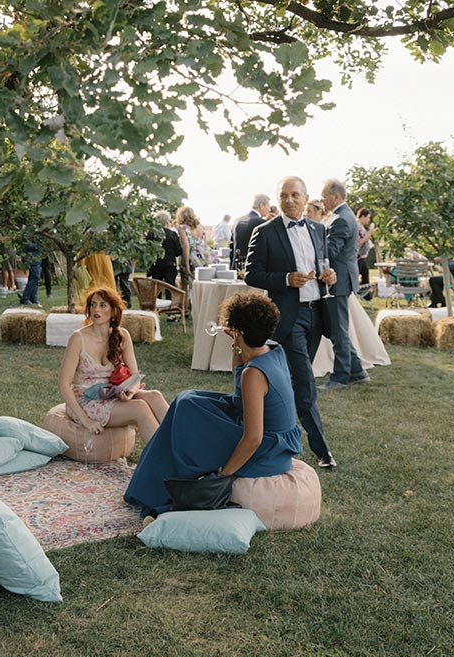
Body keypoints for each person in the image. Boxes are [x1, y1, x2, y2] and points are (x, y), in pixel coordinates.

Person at [124, 293, 303, 516]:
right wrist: (236, 342)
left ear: (238, 331)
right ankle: (155, 480)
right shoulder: (271, 349)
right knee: (186, 401)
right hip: (271, 437)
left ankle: (157, 490)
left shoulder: (254, 374)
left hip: (267, 451)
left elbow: (253, 438)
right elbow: (240, 395)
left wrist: (222, 475)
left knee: (185, 424)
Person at [243, 175, 338, 470]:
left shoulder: (318, 229)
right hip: (289, 317)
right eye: (284, 195)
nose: (290, 200)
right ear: (278, 199)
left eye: (295, 195)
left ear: (306, 198)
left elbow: (323, 265)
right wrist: (285, 279)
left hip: (316, 313)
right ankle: (321, 449)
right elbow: (251, 274)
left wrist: (329, 276)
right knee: (305, 382)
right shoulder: (265, 231)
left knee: (295, 382)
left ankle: (270, 433)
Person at [58, 287, 169, 446]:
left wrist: (130, 392)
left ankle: (184, 447)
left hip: (112, 394)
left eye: (103, 305)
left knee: (154, 396)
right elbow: (63, 385)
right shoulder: (78, 338)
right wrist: (86, 420)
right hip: (87, 400)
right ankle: (165, 462)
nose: (96, 309)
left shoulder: (122, 336)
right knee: (140, 408)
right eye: (93, 304)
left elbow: (135, 377)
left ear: (113, 310)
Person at [319, 178, 371, 391]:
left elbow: (331, 252)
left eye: (324, 196)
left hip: (337, 280)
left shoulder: (340, 218)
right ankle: (357, 371)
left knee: (337, 329)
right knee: (337, 327)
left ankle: (340, 377)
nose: (322, 200)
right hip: (343, 278)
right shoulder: (345, 215)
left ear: (336, 196)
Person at [231, 194, 272, 274]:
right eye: (268, 205)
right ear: (261, 205)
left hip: (236, 267)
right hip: (254, 270)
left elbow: (232, 247)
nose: (269, 209)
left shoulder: (237, 221)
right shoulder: (262, 223)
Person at [148, 210, 182, 284]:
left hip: (156, 265)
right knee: (170, 288)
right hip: (170, 264)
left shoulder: (151, 234)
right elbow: (178, 252)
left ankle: (157, 296)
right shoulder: (173, 234)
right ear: (167, 221)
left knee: (156, 288)